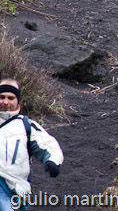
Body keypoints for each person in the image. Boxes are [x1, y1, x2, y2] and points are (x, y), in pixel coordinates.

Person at [0, 79, 63, 211]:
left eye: (10, 98)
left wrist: (52, 161)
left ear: (18, 100)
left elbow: (47, 144)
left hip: (14, 189)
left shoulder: (25, 125)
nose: (5, 102)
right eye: (1, 97)